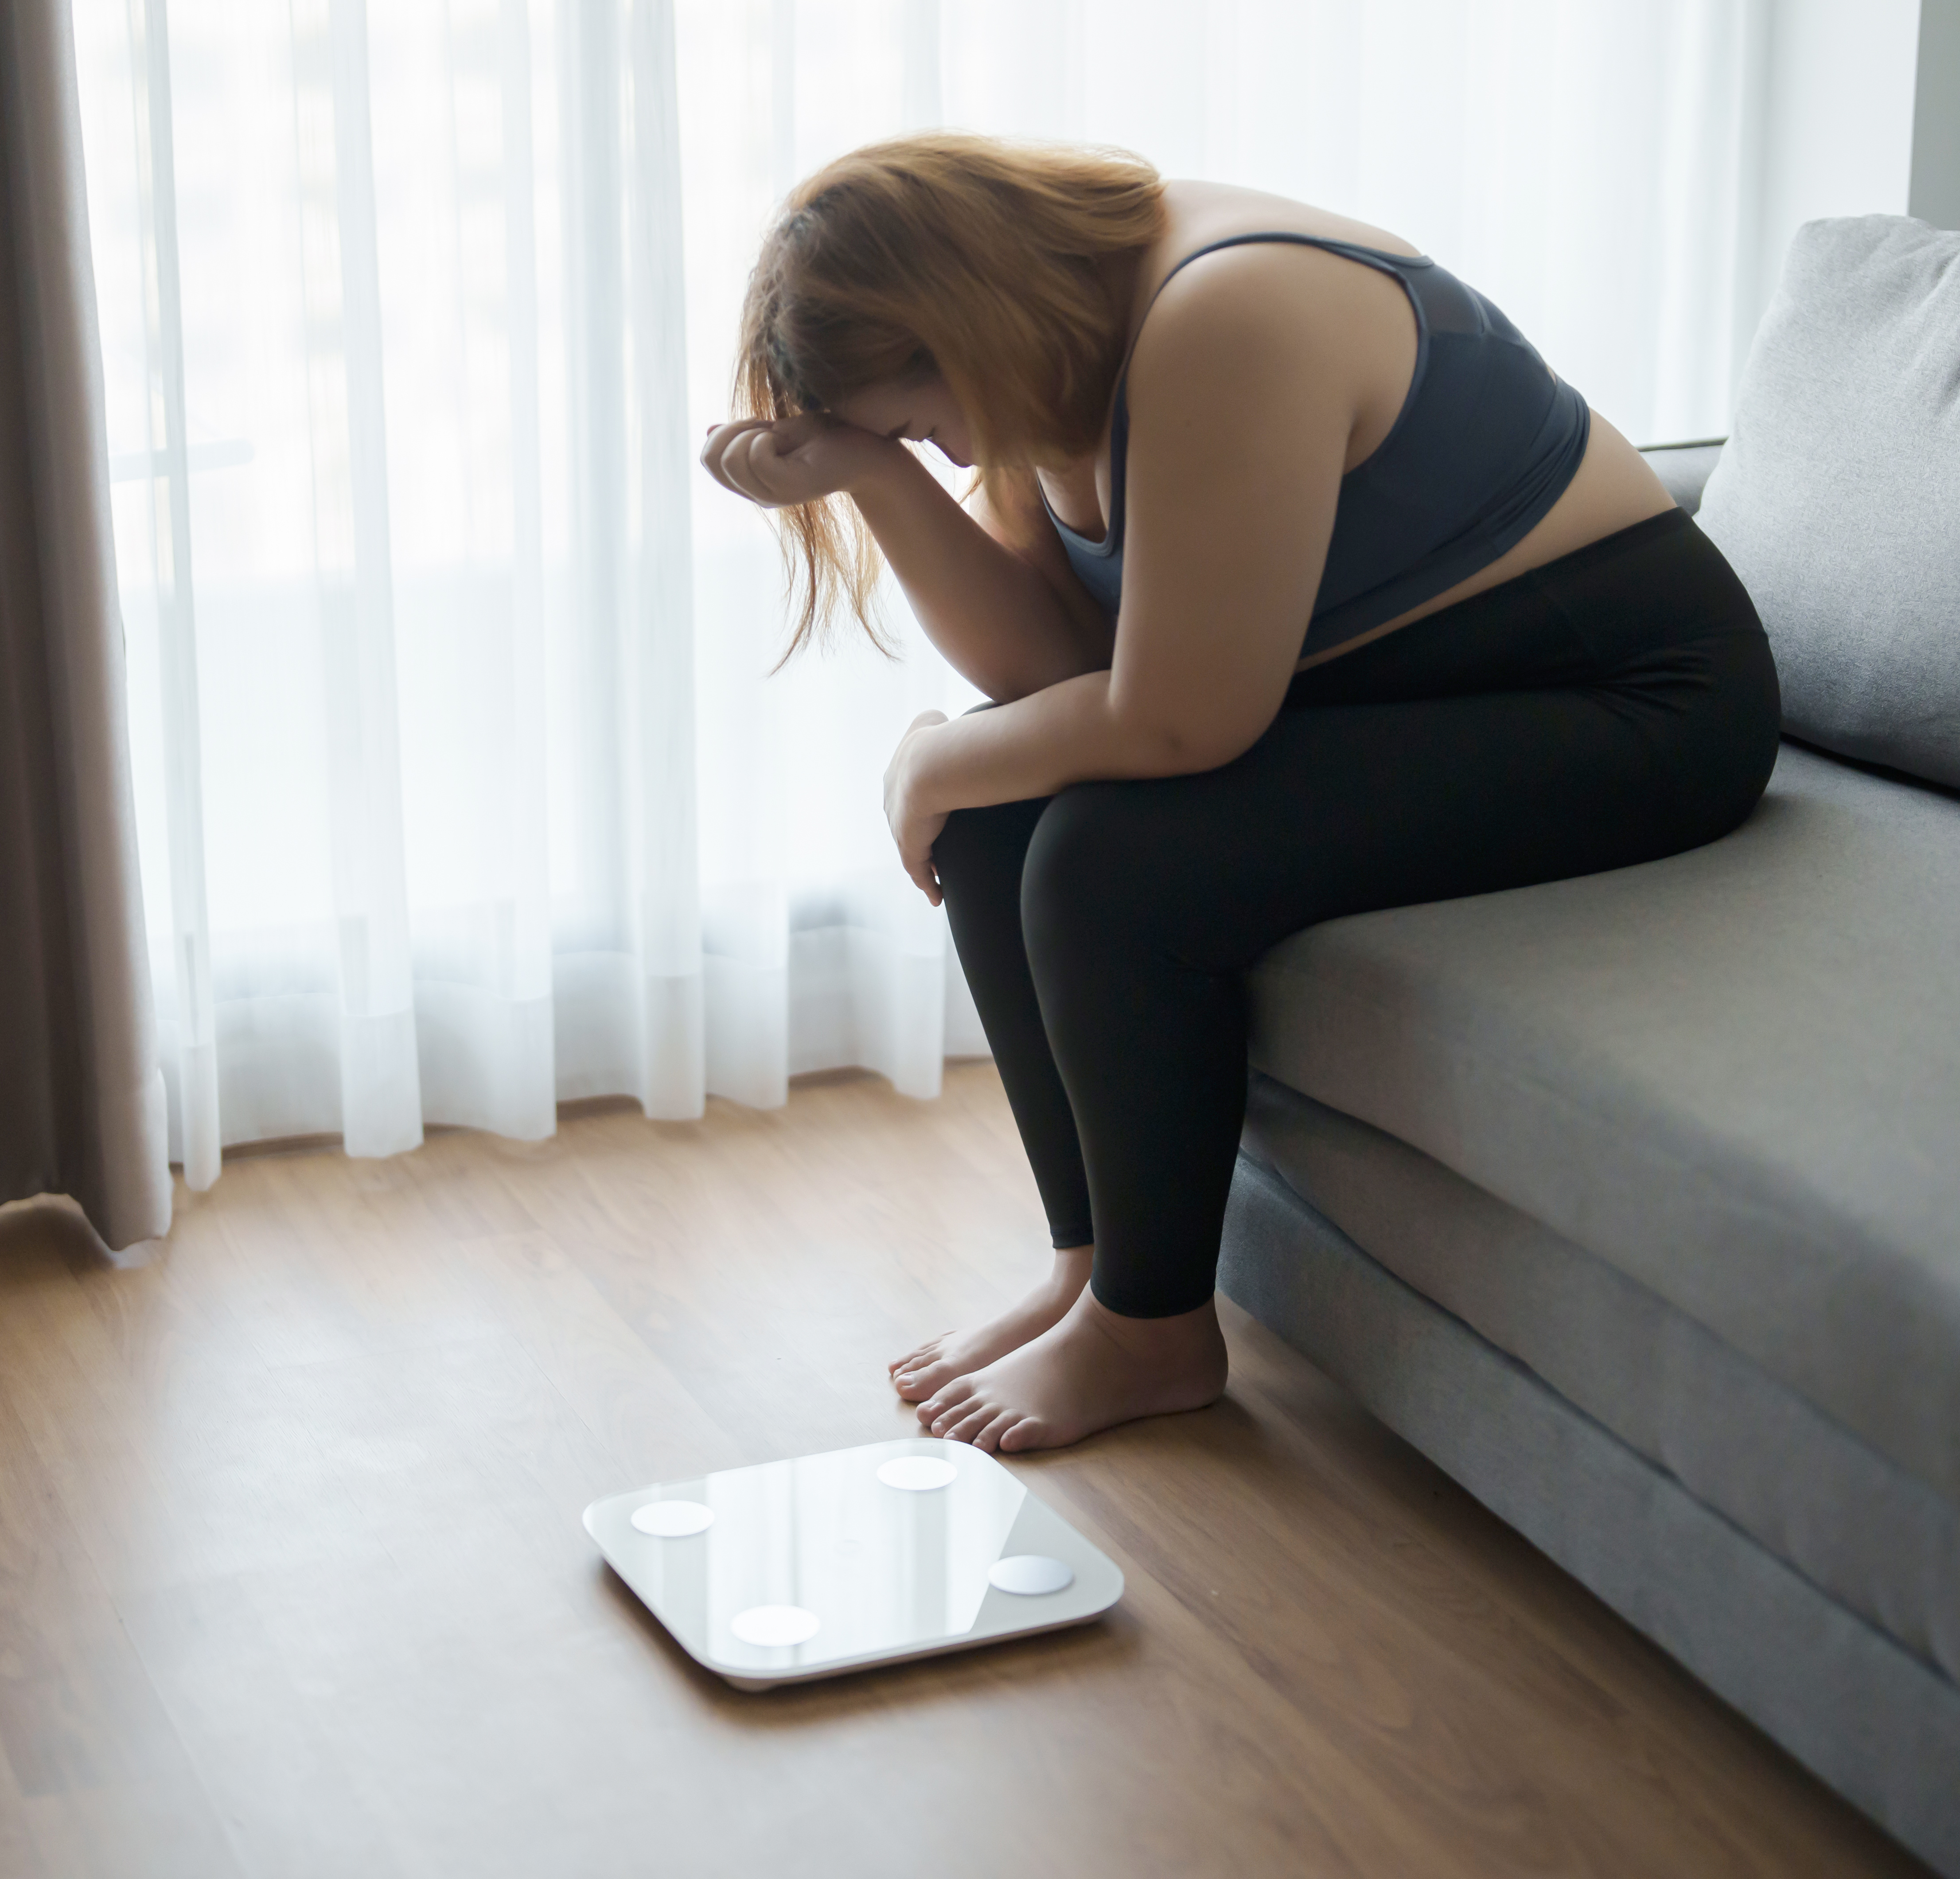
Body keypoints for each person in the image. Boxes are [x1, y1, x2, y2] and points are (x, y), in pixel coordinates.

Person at [700, 134, 1777, 1453]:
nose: (945, 445)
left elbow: (1177, 720)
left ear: (960, 320)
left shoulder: (1225, 313)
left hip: (1633, 697)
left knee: (1106, 852)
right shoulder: (1054, 338)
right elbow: (1061, 666)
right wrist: (877, 475)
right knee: (1002, 813)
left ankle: (1153, 1334)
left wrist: (929, 758)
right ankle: (1088, 1264)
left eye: (923, 421)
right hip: (1410, 690)